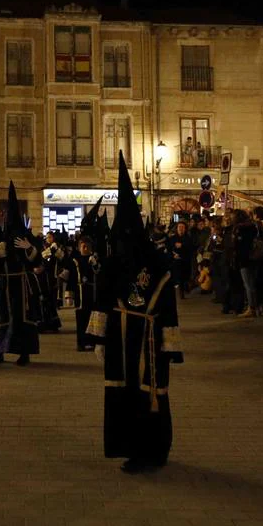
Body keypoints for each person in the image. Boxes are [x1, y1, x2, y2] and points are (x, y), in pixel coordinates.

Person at [97, 153, 181, 474]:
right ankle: (131, 448)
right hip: (121, 341)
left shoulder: (158, 266)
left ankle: (155, 450)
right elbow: (102, 300)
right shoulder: (114, 264)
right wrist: (98, 338)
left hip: (149, 340)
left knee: (151, 394)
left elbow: (169, 308)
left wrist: (171, 346)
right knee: (126, 393)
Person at [0, 184, 43, 366]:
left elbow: (35, 261)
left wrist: (30, 249)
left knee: (22, 318)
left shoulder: (25, 237)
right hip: (4, 284)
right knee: (3, 316)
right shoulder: (1, 239)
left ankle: (24, 353)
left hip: (21, 284)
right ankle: (0, 351)